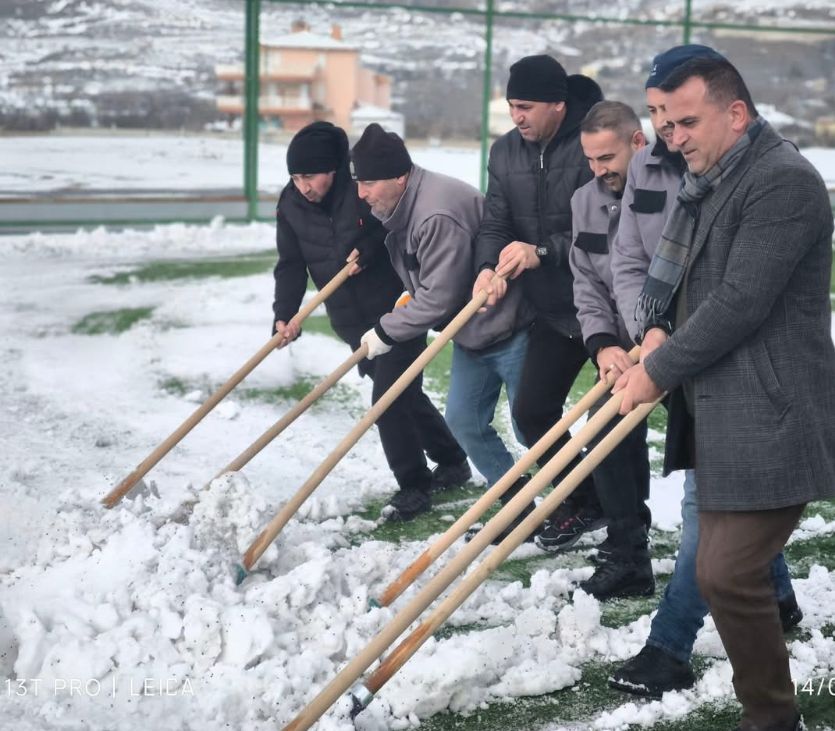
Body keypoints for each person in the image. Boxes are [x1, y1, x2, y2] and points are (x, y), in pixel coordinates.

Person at [614, 55, 834, 731]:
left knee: (726, 571)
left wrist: (658, 369)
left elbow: (740, 300)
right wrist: (655, 328)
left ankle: (770, 718)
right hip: (721, 407)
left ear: (735, 113)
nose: (672, 136)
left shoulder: (782, 181)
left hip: (772, 411)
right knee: (723, 569)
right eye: (662, 122)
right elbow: (691, 280)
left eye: (686, 121)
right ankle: (771, 714)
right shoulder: (709, 176)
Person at [272, 121, 470, 523]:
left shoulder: (363, 187)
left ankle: (413, 485)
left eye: (310, 176)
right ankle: (452, 459)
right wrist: (284, 313)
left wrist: (368, 247)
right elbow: (290, 263)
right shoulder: (290, 205)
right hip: (350, 319)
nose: (303, 186)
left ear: (333, 169)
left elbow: (393, 225)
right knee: (402, 393)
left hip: (396, 309)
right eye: (295, 177)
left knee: (388, 398)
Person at [350, 123, 534, 526]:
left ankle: (586, 501)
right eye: (358, 182)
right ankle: (516, 502)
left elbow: (441, 297)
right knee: (465, 422)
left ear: (399, 177)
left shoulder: (434, 213)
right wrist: (409, 294)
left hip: (510, 326)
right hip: (473, 333)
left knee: (532, 426)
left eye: (368, 183)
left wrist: (386, 330)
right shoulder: (404, 203)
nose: (361, 194)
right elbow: (430, 280)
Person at [472, 54, 606, 544]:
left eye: (526, 107)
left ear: (558, 104)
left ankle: (629, 534)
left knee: (613, 424)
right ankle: (585, 501)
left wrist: (543, 251)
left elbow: (607, 232)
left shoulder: (594, 145)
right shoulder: (505, 151)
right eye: (512, 106)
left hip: (609, 307)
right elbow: (496, 221)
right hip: (553, 311)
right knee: (532, 413)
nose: (517, 117)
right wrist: (487, 267)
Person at [541, 100, 654, 601]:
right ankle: (629, 554)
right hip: (623, 346)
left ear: (638, 142)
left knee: (707, 450)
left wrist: (658, 337)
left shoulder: (673, 191)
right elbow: (586, 282)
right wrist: (604, 345)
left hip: (678, 341)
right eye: (590, 159)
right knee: (606, 431)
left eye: (607, 157)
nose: (597, 169)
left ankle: (770, 585)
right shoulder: (585, 199)